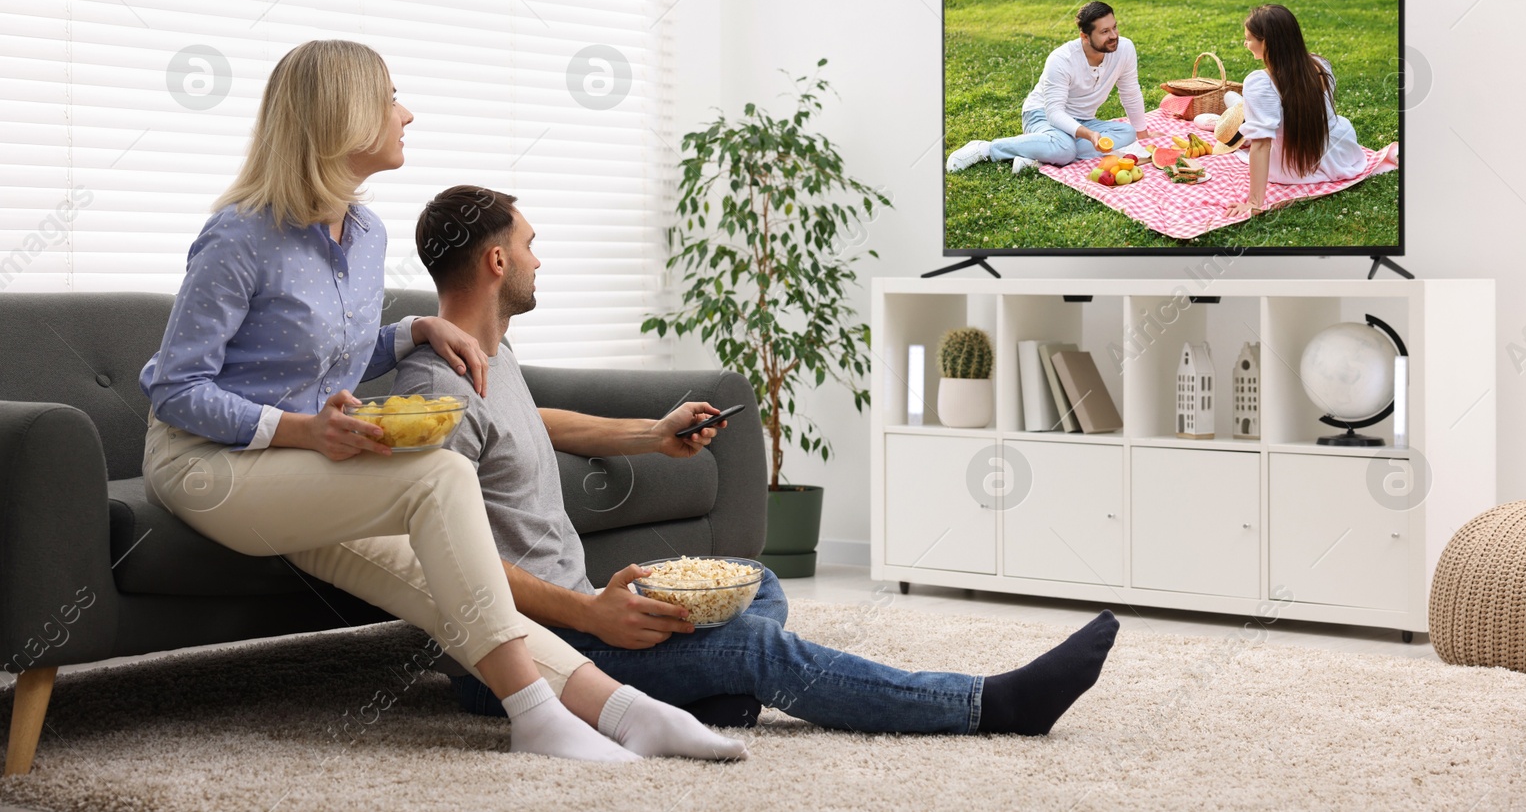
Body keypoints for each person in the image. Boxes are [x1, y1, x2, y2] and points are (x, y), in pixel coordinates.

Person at [138, 40, 746, 763]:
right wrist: (305, 430)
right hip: (210, 467)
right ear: (342, 115)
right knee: (441, 473)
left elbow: (316, 355)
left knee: (441, 576)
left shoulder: (365, 234)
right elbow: (176, 390)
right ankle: (535, 716)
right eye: (391, 98)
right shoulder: (239, 236)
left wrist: (410, 329)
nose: (407, 113)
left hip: (294, 478)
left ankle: (627, 710)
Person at [393, 184, 1122, 736]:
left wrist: (654, 432)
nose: (537, 257)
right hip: (516, 660)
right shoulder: (436, 383)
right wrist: (591, 610)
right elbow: (450, 560)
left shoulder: (489, 355)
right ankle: (989, 704)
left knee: (756, 580)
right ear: (495, 260)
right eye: (528, 243)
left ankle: (712, 695)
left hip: (578, 619)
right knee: (753, 645)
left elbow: (535, 423)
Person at [946, 1, 1150, 175]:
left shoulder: (1124, 48)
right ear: (1085, 36)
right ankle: (987, 149)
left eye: (1114, 27)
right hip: (1041, 114)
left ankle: (1039, 152)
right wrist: (1089, 135)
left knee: (1127, 132)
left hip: (1083, 119)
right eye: (1105, 32)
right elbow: (1054, 113)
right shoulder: (1062, 59)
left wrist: (1142, 133)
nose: (1114, 35)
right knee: (1065, 149)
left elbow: (1130, 90)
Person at [1217, 4, 1370, 219]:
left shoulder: (1260, 83)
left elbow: (1261, 144)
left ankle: (1234, 112)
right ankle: (1238, 109)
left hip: (1295, 166)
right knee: (1245, 109)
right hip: (1339, 153)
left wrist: (1254, 202)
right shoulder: (1320, 64)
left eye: (1249, 38)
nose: (1245, 43)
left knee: (1241, 112)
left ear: (1267, 43)